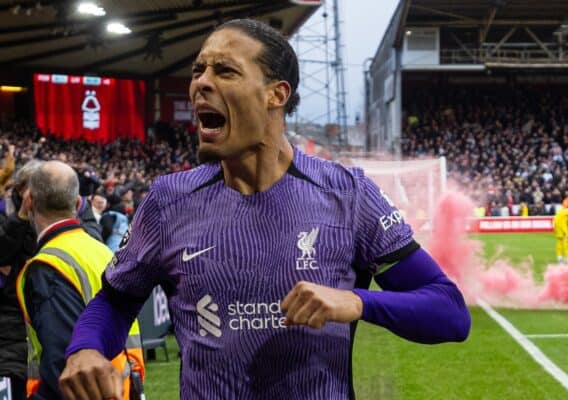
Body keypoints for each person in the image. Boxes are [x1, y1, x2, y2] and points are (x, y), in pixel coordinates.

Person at [60, 19, 470, 400]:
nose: (201, 83)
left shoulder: (349, 194)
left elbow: (449, 312)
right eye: (198, 70)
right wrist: (85, 349)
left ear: (276, 94)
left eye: (225, 71)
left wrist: (359, 302)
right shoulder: (168, 200)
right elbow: (114, 302)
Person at [14, 161, 144, 400]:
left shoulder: (47, 265)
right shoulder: (102, 251)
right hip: (122, 388)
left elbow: (63, 369)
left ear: (29, 201)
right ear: (76, 204)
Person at [0, 161, 39, 400]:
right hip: (10, 322)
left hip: (36, 316)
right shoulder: (6, 211)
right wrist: (23, 217)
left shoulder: (52, 215)